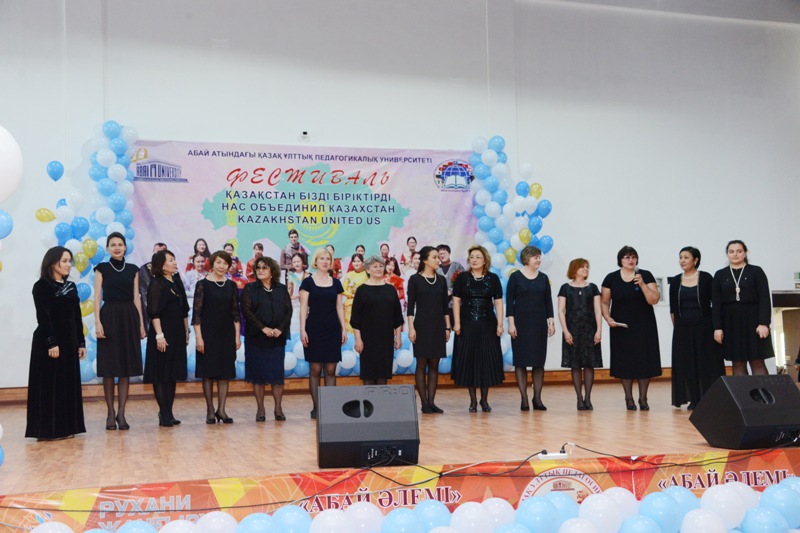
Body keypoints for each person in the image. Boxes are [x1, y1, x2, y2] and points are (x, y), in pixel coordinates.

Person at [26, 247, 86, 441]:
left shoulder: (71, 287)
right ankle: (47, 431)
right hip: (49, 343)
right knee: (49, 387)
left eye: (70, 261)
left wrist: (81, 342)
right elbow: (43, 317)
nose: (69, 265)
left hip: (69, 342)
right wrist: (51, 343)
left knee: (66, 385)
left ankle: (67, 428)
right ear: (53, 263)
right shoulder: (41, 286)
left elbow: (76, 317)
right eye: (65, 261)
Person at [93, 232, 146, 431]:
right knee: (109, 368)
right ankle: (110, 413)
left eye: (120, 244)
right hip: (109, 316)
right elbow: (97, 296)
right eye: (113, 244)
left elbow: (136, 297)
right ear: (107, 248)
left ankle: (121, 413)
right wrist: (97, 322)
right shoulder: (102, 268)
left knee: (125, 368)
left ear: (125, 247)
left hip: (128, 316)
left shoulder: (133, 269)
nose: (117, 247)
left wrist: (141, 324)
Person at [601, 246, 662, 411]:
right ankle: (628, 398)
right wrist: (608, 318)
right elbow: (604, 302)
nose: (631, 260)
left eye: (634, 257)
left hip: (644, 325)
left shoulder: (645, 275)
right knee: (624, 362)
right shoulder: (611, 278)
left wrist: (642, 284)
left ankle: (643, 398)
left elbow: (654, 299)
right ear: (620, 260)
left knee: (644, 361)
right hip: (621, 327)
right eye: (627, 257)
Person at [670, 247, 724, 410]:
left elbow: (716, 304)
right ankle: (694, 399)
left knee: (706, 363)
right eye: (680, 257)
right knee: (687, 363)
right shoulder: (675, 281)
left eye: (686, 257)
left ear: (696, 260)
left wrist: (717, 327)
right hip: (683, 329)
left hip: (705, 327)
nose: (682, 260)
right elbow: (673, 310)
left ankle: (710, 398)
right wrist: (678, 329)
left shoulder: (706, 278)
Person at [452, 245, 505, 412]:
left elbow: (498, 302)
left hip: (487, 324)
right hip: (467, 324)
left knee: (485, 360)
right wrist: (457, 322)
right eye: (472, 257)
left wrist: (500, 324)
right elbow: (456, 301)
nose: (474, 260)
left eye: (478, 257)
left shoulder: (493, 278)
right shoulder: (462, 278)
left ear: (485, 260)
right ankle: (473, 400)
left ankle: (484, 400)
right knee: (469, 360)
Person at [712, 240, 774, 375]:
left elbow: (764, 298)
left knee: (757, 361)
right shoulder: (720, 274)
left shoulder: (756, 271)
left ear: (745, 253)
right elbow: (716, 304)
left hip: (754, 322)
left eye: (739, 251)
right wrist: (717, 327)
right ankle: (742, 391)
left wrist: (764, 323)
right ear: (727, 254)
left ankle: (763, 390)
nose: (735, 254)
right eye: (731, 251)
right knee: (737, 362)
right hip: (730, 323)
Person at [192, 250, 241, 424]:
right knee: (208, 373)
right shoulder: (202, 285)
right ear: (212, 264)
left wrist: (237, 337)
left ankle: (221, 410)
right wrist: (199, 337)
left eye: (225, 263)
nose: (221, 266)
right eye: (218, 262)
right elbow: (196, 315)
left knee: (224, 373)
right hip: (207, 334)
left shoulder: (231, 285)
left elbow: (235, 313)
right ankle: (210, 410)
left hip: (227, 334)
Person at [242, 256, 292, 421]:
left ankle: (278, 409)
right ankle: (261, 409)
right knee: (258, 376)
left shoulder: (281, 289)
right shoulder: (250, 288)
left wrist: (280, 329)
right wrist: (263, 328)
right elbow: (247, 311)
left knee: (277, 375)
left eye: (264, 267)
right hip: (256, 338)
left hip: (277, 338)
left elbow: (288, 311)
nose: (261, 270)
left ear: (272, 271)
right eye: (258, 268)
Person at [144, 249, 190, 427]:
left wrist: (186, 331)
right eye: (170, 260)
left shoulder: (176, 281)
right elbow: (154, 312)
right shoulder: (157, 283)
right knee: (161, 374)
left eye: (174, 259)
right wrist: (159, 335)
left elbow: (184, 309)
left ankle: (169, 412)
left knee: (172, 374)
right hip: (162, 334)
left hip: (177, 332)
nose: (174, 262)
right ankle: (163, 413)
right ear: (162, 265)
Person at [506, 246, 555, 411]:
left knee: (538, 362)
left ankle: (537, 398)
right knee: (520, 362)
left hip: (539, 324)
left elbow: (548, 302)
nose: (539, 260)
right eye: (536, 257)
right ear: (526, 258)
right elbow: (510, 303)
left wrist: (551, 322)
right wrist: (511, 324)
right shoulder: (515, 277)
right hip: (520, 324)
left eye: (539, 257)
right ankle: (524, 398)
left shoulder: (543, 278)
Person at [300, 247, 347, 419]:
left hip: (332, 329)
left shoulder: (336, 283)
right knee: (315, 369)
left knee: (330, 369)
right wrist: (302, 329)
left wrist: (343, 328)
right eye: (322, 258)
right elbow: (303, 308)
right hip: (313, 328)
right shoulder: (308, 282)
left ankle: (329, 407)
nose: (325, 261)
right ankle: (317, 407)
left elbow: (339, 307)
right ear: (315, 261)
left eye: (328, 259)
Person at [407, 246, 451, 413]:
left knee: (434, 363)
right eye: (434, 257)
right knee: (422, 362)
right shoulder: (415, 279)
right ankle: (424, 403)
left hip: (438, 325)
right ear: (425, 260)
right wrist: (411, 328)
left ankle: (432, 402)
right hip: (421, 325)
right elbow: (410, 307)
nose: (438, 260)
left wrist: (447, 327)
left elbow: (445, 306)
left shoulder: (441, 280)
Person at [557, 258, 603, 411]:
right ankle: (579, 398)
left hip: (590, 330)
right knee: (575, 365)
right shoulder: (565, 288)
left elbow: (598, 310)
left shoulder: (593, 287)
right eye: (582, 267)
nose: (585, 269)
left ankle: (588, 398)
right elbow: (561, 311)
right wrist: (565, 331)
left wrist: (599, 330)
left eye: (587, 267)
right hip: (572, 330)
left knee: (589, 364)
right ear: (574, 269)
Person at [351, 255, 404, 385]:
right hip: (367, 339)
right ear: (367, 270)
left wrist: (398, 337)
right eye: (375, 266)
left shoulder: (390, 289)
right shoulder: (361, 290)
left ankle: (381, 399)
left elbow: (397, 316)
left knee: (383, 375)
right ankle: (369, 399)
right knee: (368, 375)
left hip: (386, 339)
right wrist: (358, 339)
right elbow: (355, 319)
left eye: (381, 266)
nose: (379, 269)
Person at [139, 242, 167, 333]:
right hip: (153, 308)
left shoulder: (172, 268)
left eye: (163, 252)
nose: (160, 254)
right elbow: (145, 291)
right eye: (158, 252)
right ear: (153, 252)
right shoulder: (145, 269)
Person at [436, 244, 465, 326]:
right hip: (441, 305)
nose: (442, 256)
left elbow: (463, 282)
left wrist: (451, 291)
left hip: (456, 303)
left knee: (457, 326)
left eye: (444, 253)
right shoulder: (436, 269)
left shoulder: (457, 266)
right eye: (440, 254)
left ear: (449, 253)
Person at [342, 253, 367, 334]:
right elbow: (343, 290)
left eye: (358, 261)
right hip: (350, 304)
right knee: (350, 328)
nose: (356, 263)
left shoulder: (367, 274)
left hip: (364, 304)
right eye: (354, 261)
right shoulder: (349, 275)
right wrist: (352, 295)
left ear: (363, 262)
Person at [287, 252, 310, 334]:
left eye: (298, 261)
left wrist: (299, 295)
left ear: (303, 262)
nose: (296, 264)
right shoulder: (290, 275)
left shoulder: (308, 275)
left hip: (305, 304)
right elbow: (288, 290)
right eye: (294, 262)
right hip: (293, 304)